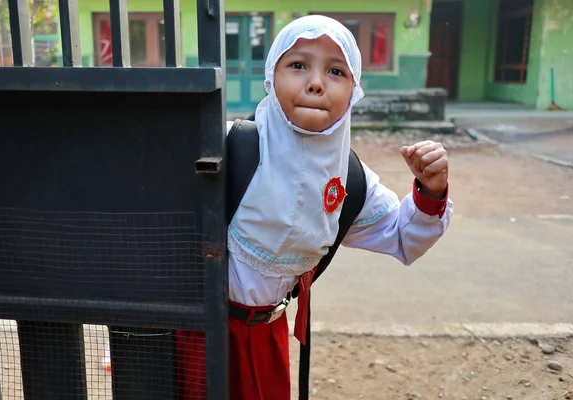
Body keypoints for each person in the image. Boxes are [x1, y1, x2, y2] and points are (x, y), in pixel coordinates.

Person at [177, 14, 453, 400]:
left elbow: (405, 236)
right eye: (298, 65)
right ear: (272, 76)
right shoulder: (228, 145)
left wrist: (431, 188)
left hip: (269, 334)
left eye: (336, 71)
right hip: (197, 333)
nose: (316, 82)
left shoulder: (351, 179)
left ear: (355, 90)